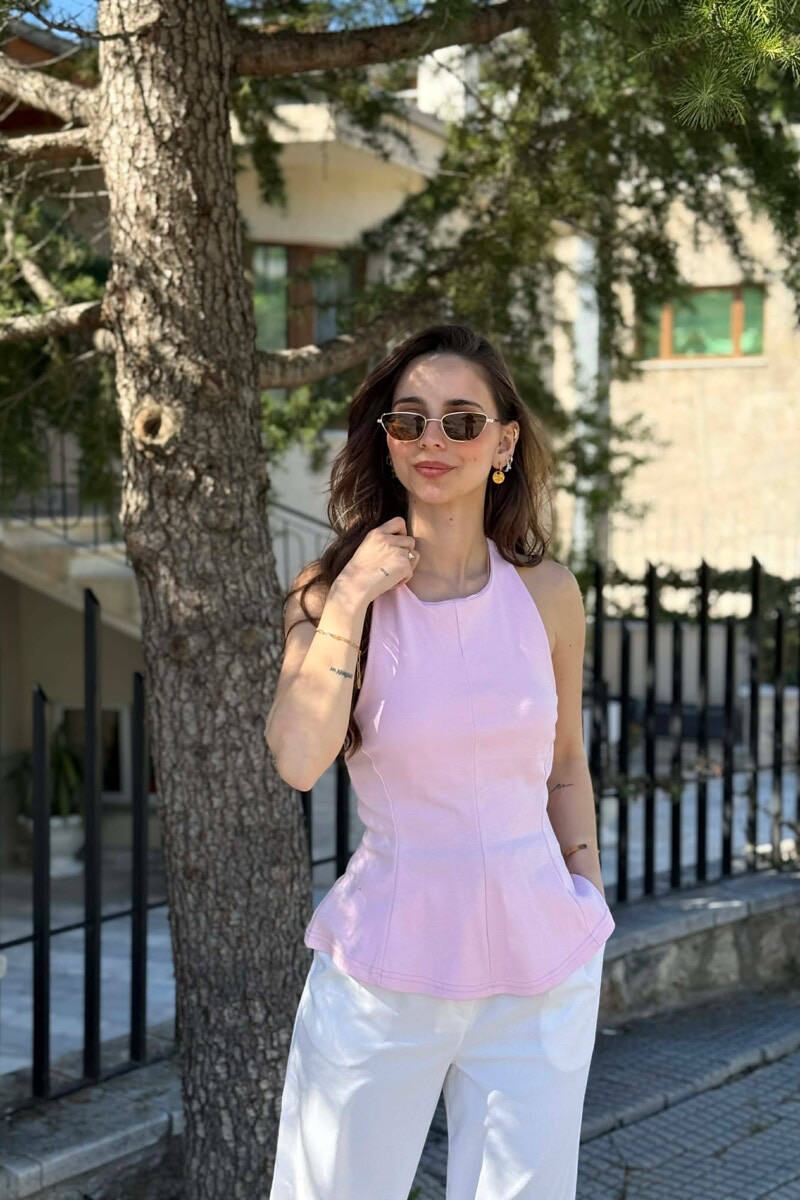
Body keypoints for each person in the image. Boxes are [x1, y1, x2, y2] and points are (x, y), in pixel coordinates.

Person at [265, 323, 615, 1199]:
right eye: (409, 419)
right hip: (381, 975)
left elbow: (564, 765)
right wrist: (352, 595)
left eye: (462, 421)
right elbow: (298, 760)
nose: (433, 439)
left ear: (503, 443)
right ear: (385, 440)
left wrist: (587, 899)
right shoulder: (329, 594)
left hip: (541, 971)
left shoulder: (548, 593)